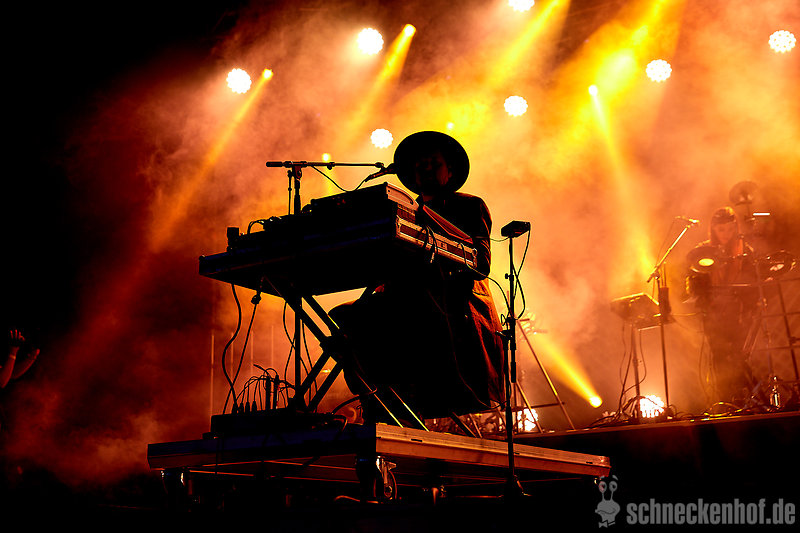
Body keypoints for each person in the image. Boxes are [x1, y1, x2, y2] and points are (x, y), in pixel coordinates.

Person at [329, 131, 506, 423]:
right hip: (403, 299)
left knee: (383, 318)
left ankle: (396, 407)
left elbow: (482, 264)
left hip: (452, 302)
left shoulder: (469, 205)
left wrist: (437, 241)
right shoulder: (399, 210)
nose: (425, 168)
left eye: (434, 163)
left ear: (450, 172)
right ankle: (382, 402)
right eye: (420, 164)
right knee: (346, 316)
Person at [686, 206, 758, 406]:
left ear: (736, 228)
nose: (726, 234)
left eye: (730, 229)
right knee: (719, 358)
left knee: (739, 357)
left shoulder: (745, 251)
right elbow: (693, 279)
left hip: (739, 315)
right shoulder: (704, 251)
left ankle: (746, 400)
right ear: (713, 229)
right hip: (713, 316)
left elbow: (753, 283)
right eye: (721, 230)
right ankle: (724, 402)